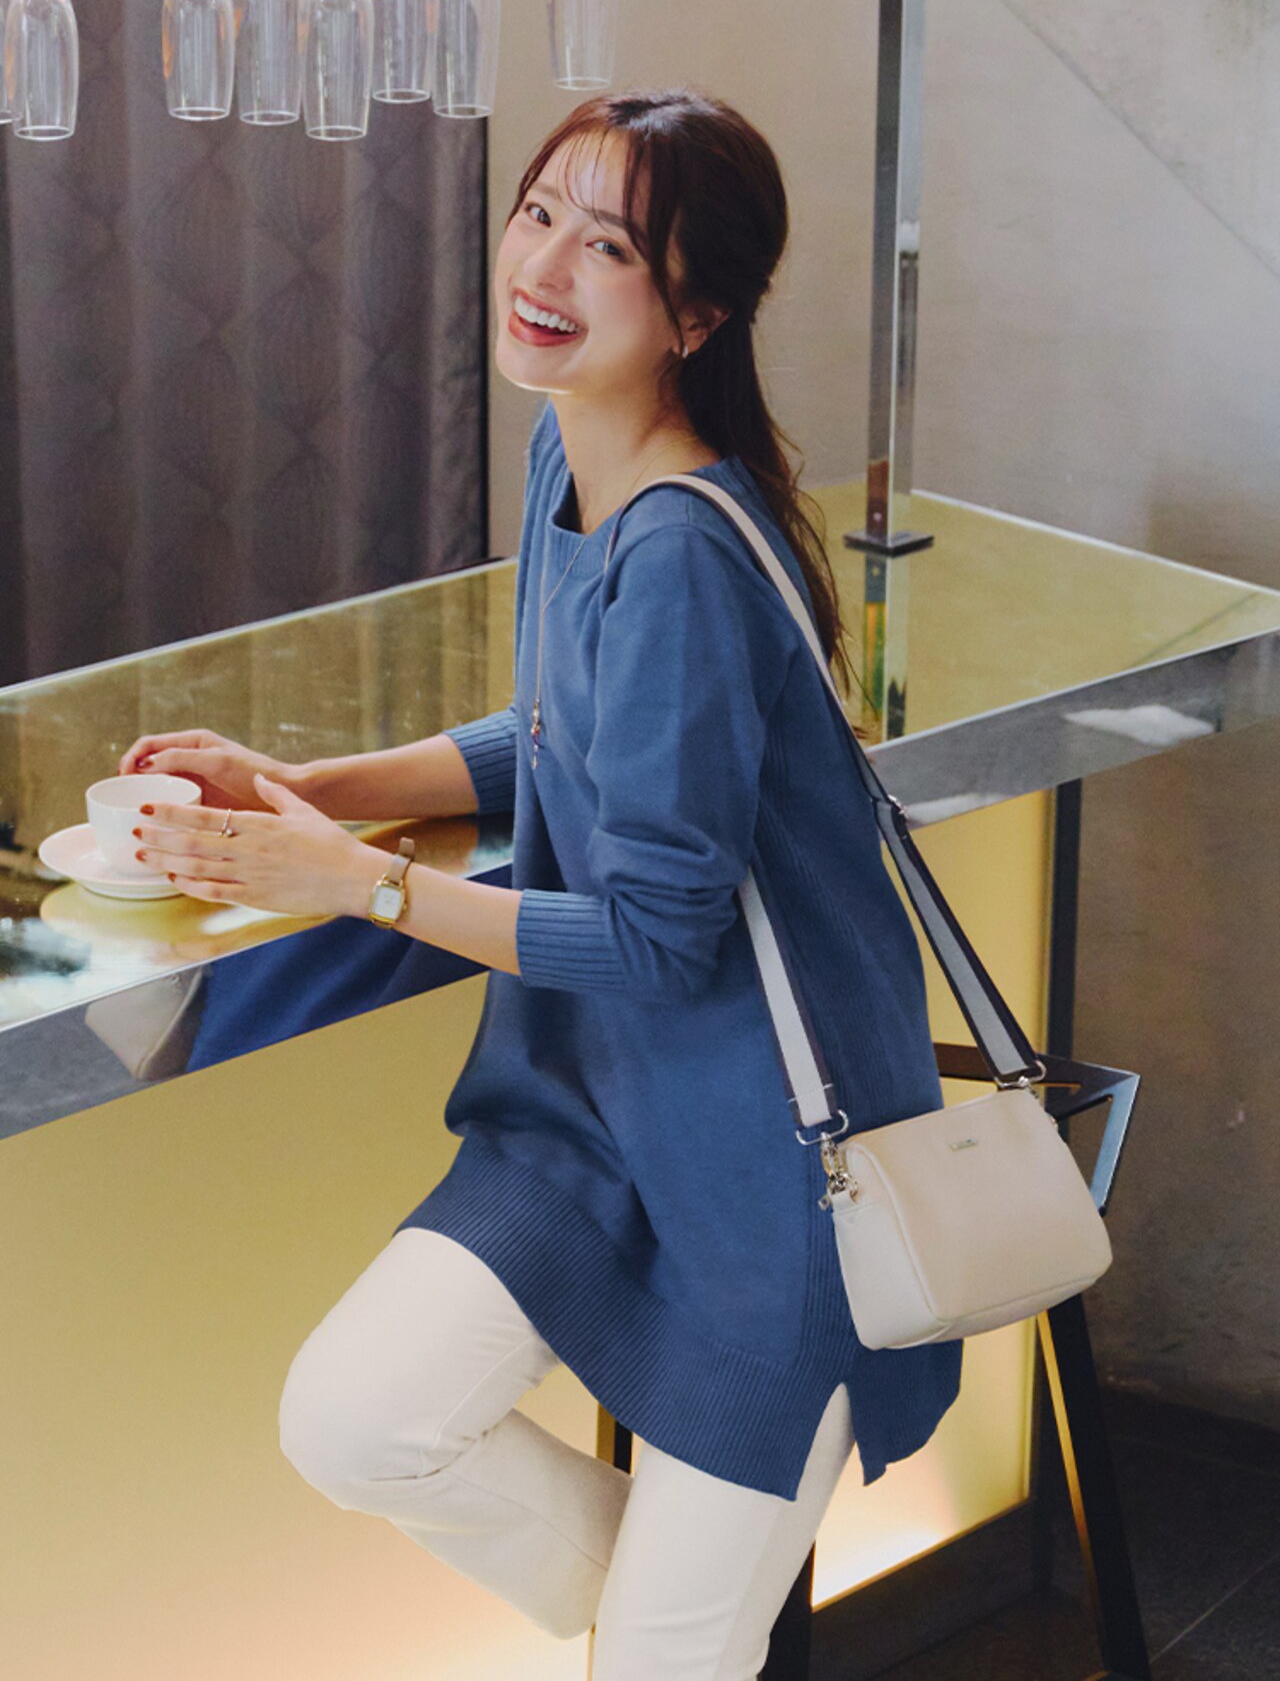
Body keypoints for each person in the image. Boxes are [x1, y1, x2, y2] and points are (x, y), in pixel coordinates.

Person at [116, 88, 962, 1680]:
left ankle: (675, 1633)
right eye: (539, 212)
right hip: (592, 1120)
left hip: (774, 1172)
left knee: (660, 1657)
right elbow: (560, 728)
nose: (546, 263)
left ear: (697, 315)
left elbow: (658, 939)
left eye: (611, 245)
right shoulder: (569, 456)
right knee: (355, 1418)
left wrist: (356, 884)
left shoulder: (688, 552)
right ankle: (675, 1622)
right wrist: (317, 790)